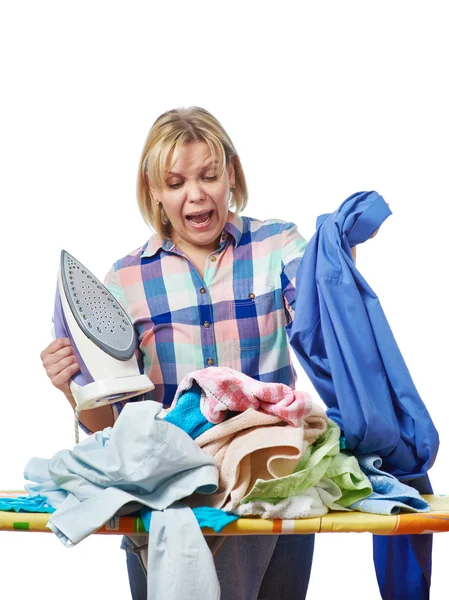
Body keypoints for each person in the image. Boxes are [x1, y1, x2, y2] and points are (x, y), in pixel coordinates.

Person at [40, 106, 361, 599]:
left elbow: (328, 334)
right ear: (154, 192)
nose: (195, 194)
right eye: (175, 182)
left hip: (270, 487)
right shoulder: (124, 282)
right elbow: (113, 426)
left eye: (210, 175)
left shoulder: (278, 246)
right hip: (169, 501)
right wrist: (72, 388)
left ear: (231, 173)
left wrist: (338, 272)